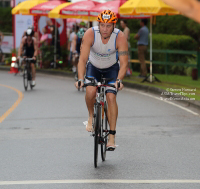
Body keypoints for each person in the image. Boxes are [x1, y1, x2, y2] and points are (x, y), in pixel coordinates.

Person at [75, 10, 128, 151]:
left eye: (108, 26)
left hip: (111, 68)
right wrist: (80, 78)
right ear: (98, 24)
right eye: (102, 25)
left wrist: (119, 80)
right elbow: (83, 59)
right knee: (90, 90)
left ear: (114, 26)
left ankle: (112, 136)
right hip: (94, 67)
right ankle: (91, 116)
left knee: (111, 97)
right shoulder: (90, 34)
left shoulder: (120, 36)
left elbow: (123, 63)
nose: (105, 29)